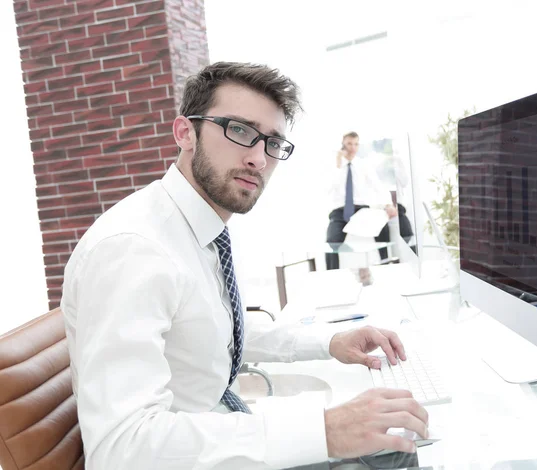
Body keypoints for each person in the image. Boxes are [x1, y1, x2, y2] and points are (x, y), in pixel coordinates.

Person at [61, 62, 428, 470]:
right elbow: (122, 450)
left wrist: (328, 342)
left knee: (401, 439)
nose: (258, 159)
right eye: (238, 130)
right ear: (185, 133)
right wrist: (324, 431)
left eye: (273, 142)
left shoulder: (194, 227)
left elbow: (212, 328)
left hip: (220, 436)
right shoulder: (133, 250)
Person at [325, 132, 398, 270]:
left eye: (356, 144)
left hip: (360, 209)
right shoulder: (335, 167)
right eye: (349, 144)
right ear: (343, 145)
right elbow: (328, 189)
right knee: (331, 242)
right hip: (339, 211)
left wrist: (388, 203)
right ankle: (331, 273)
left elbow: (378, 186)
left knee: (382, 226)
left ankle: (387, 264)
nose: (353, 147)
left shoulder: (363, 165)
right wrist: (338, 164)